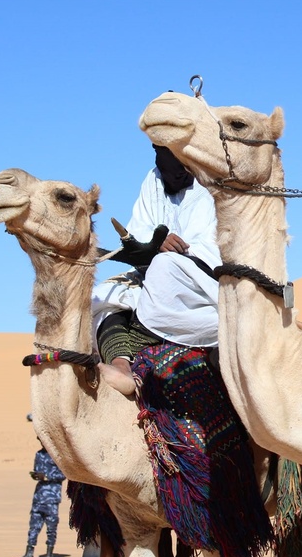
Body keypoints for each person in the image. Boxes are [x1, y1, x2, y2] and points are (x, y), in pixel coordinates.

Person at [92, 145, 221, 392]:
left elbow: (215, 249)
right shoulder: (152, 181)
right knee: (104, 294)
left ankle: (139, 338)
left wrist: (178, 249)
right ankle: (121, 364)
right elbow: (139, 229)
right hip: (152, 273)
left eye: (190, 156)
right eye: (176, 156)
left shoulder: (210, 181)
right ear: (157, 149)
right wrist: (152, 245)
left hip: (203, 282)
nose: (184, 166)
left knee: (165, 266)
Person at [13, 420, 66, 557]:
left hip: (52, 497)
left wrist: (47, 477)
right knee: (34, 526)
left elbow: (64, 475)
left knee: (51, 526)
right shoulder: (39, 455)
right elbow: (38, 471)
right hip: (39, 496)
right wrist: (37, 476)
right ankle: (29, 554)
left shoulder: (58, 456)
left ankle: (49, 554)